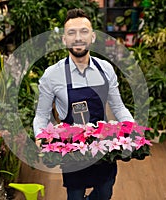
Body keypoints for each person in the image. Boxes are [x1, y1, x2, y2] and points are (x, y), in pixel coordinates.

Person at [33, 8, 134, 200]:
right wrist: (40, 136)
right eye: (72, 33)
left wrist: (131, 127)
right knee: (75, 195)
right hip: (71, 150)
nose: (78, 38)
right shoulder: (52, 75)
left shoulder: (106, 69)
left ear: (93, 37)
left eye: (84, 31)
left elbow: (119, 107)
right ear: (64, 39)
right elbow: (41, 114)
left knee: (105, 192)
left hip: (102, 146)